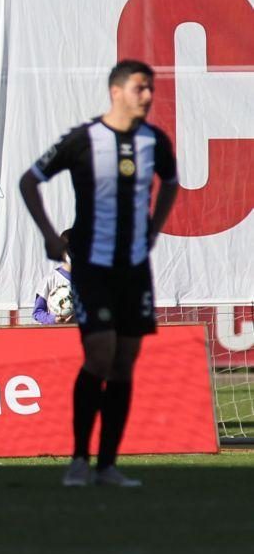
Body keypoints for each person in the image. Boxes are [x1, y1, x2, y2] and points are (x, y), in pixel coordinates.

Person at [20, 60, 178, 487]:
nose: (148, 96)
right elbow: (29, 181)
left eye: (151, 89)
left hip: (133, 268)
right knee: (99, 355)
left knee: (125, 362)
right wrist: (52, 237)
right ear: (116, 91)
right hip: (92, 266)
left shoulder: (154, 140)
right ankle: (78, 460)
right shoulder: (85, 139)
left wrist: (153, 230)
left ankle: (106, 465)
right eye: (140, 88)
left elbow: (173, 182)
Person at [32, 229, 74, 325]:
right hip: (57, 335)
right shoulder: (51, 279)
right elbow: (37, 312)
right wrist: (53, 320)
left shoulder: (90, 280)